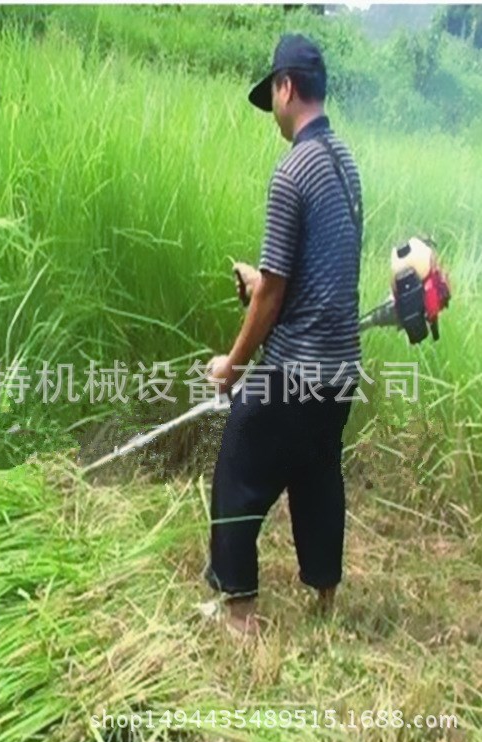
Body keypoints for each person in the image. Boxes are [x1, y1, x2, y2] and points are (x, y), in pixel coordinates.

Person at [204, 34, 363, 636]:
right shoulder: (344, 164)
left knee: (238, 469)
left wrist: (234, 366)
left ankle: (238, 614)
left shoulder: (292, 169)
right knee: (317, 473)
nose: (271, 106)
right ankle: (324, 599)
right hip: (341, 368)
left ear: (286, 88)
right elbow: (308, 275)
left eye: (270, 92)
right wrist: (258, 278)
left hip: (295, 369)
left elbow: (275, 292)